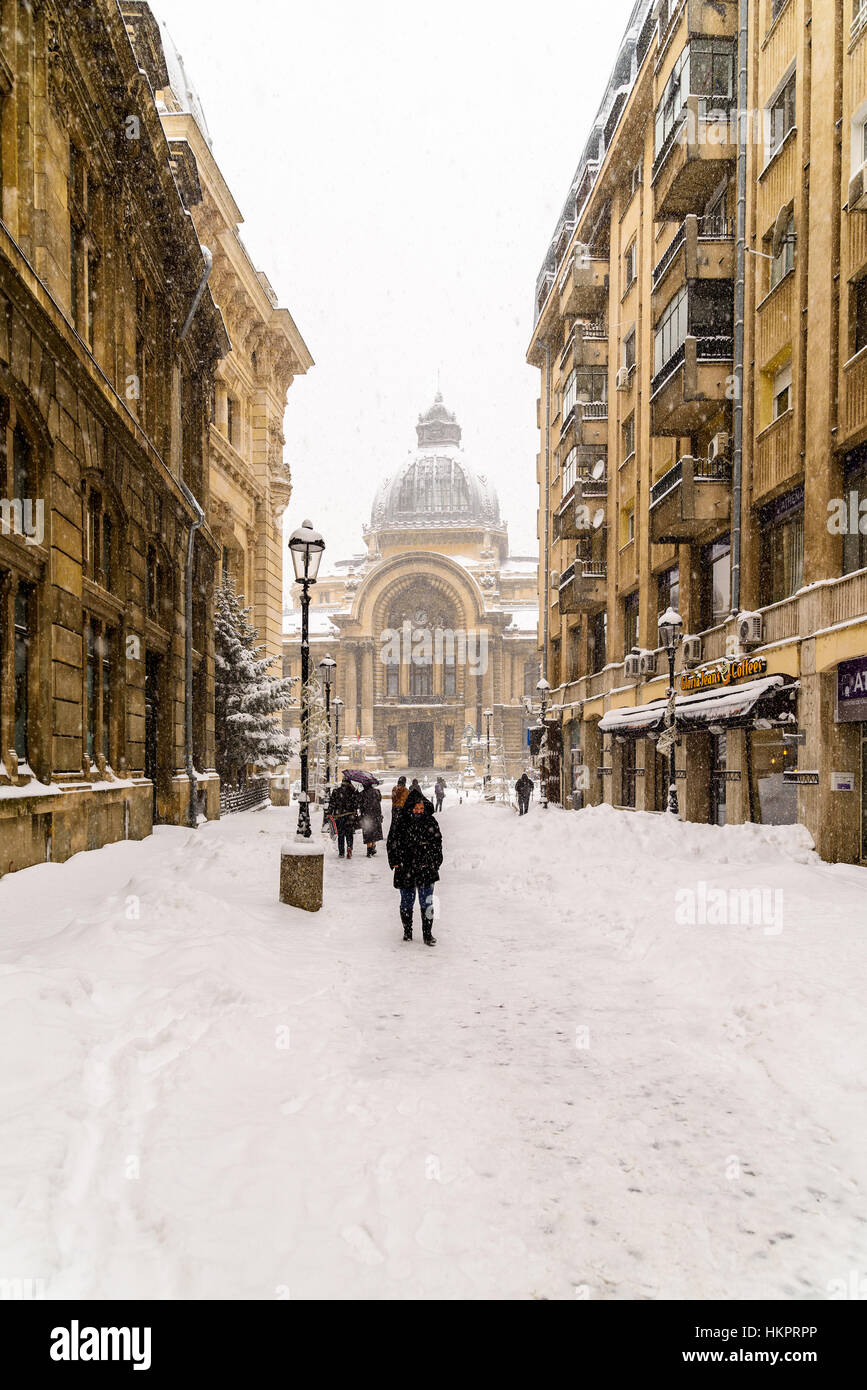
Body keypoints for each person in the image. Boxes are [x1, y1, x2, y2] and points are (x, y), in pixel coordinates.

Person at [386, 785, 443, 945]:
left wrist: (436, 861)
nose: (419, 810)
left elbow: (437, 843)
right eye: (417, 808)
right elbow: (392, 842)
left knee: (428, 902)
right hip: (406, 867)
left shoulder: (430, 821)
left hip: (426, 867)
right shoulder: (401, 822)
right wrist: (395, 861)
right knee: (406, 902)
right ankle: (407, 931)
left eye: (421, 807)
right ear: (411, 808)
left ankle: (427, 934)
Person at [329, 776, 360, 858]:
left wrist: (329, 813)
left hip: (339, 816)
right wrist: (355, 791)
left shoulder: (336, 791)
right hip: (350, 816)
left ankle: (341, 852)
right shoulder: (353, 792)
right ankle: (349, 847)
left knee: (341, 834)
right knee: (349, 833)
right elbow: (357, 803)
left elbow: (332, 803)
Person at [360, 780, 384, 857]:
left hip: (366, 815)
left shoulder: (362, 793)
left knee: (368, 831)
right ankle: (373, 847)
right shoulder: (377, 791)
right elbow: (379, 800)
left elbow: (359, 804)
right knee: (374, 831)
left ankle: (369, 849)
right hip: (376, 814)